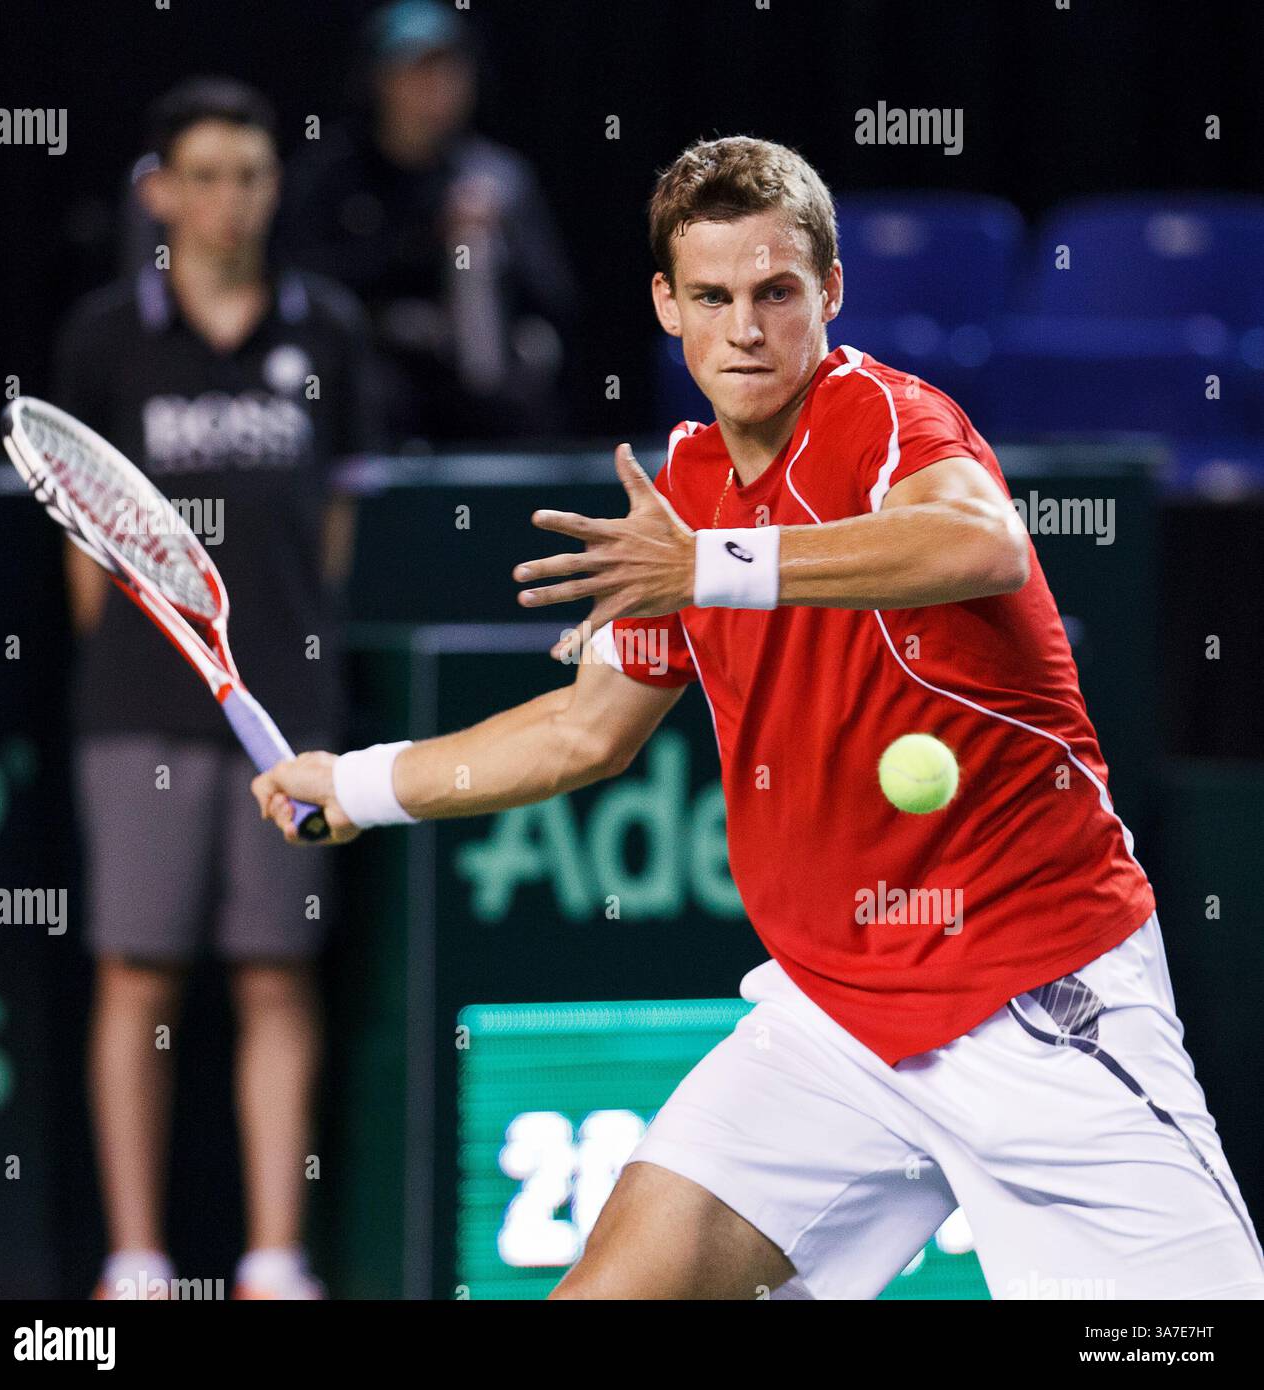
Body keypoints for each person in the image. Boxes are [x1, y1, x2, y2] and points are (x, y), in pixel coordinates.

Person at [252, 136, 1264, 1300]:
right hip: (832, 1021)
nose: (746, 329)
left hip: (1033, 999)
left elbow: (977, 537)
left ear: (829, 292)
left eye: (777, 293)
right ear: (665, 307)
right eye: (714, 297)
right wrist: (359, 784)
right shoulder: (681, 490)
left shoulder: (885, 420)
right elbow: (585, 732)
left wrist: (715, 567)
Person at [56, 77, 377, 1301]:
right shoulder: (103, 339)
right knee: (136, 973)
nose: (230, 199)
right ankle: (136, 1261)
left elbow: (334, 526)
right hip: (133, 710)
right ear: (160, 191)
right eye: (205, 174)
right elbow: (88, 547)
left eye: (250, 173)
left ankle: (272, 1259)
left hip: (288, 719)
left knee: (273, 975)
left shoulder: (329, 332)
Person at [278, 0, 578, 445]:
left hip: (482, 373)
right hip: (382, 378)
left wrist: (497, 244)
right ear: (380, 80)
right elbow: (306, 285)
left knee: (529, 398)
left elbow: (556, 296)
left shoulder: (498, 176)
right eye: (418, 72)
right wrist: (422, 241)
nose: (438, 88)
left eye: (452, 72)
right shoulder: (332, 177)